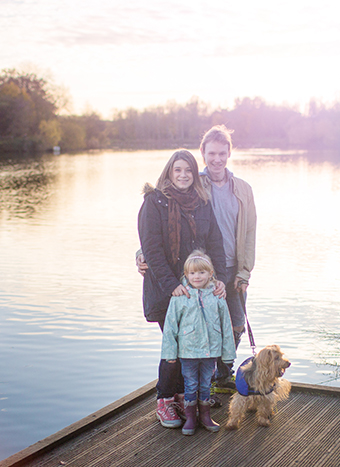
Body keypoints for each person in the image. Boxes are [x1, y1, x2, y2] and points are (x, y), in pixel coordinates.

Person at [138, 125, 257, 390]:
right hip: (195, 273)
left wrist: (244, 272)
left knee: (234, 323)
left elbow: (249, 233)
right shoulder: (193, 183)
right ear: (202, 153)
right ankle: (199, 384)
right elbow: (158, 229)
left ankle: (220, 374)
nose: (217, 159)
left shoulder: (243, 190)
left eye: (222, 153)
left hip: (230, 268)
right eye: (211, 153)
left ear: (229, 153)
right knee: (195, 331)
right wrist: (141, 253)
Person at [138, 149, 227, 429]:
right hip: (168, 290)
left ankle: (182, 397)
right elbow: (151, 249)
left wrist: (219, 278)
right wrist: (173, 285)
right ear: (169, 172)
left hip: (198, 289)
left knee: (191, 347)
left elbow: (214, 244)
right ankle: (164, 400)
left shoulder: (201, 203)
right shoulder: (154, 202)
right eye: (177, 170)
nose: (183, 175)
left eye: (188, 170)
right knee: (173, 345)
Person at [161, 250, 236, 435]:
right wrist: (170, 355)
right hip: (188, 352)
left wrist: (228, 355)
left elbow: (226, 326)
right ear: (186, 275)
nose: (197, 276)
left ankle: (205, 416)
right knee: (191, 384)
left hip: (210, 352)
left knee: (205, 385)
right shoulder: (180, 297)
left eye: (201, 272)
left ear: (211, 274)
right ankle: (191, 417)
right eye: (192, 273)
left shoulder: (217, 296)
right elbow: (170, 327)